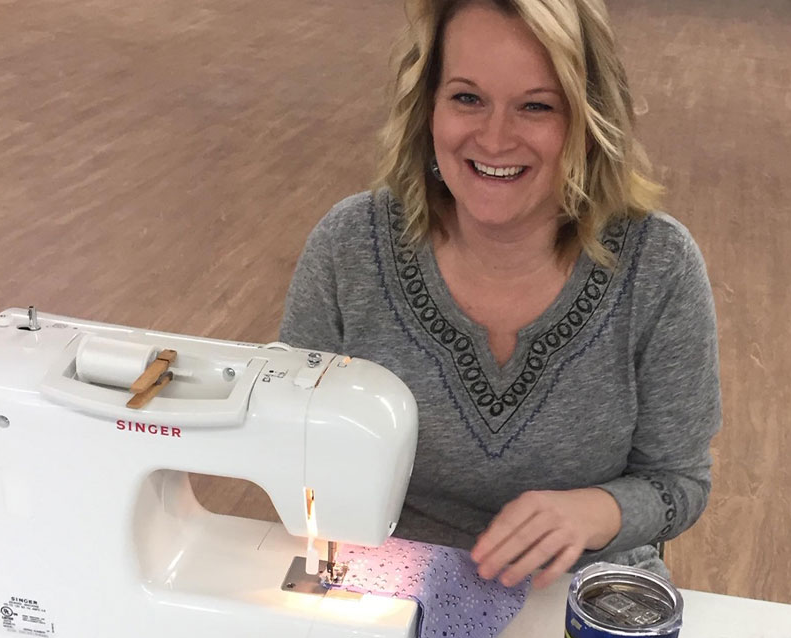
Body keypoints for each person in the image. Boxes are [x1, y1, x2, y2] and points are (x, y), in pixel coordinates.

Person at [280, 0, 720, 590]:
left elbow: (680, 484)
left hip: (581, 593)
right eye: (467, 98)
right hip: (387, 584)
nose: (494, 137)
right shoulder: (349, 247)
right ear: (427, 108)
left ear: (588, 125)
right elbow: (288, 439)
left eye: (536, 106)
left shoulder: (658, 267)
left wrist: (594, 511)